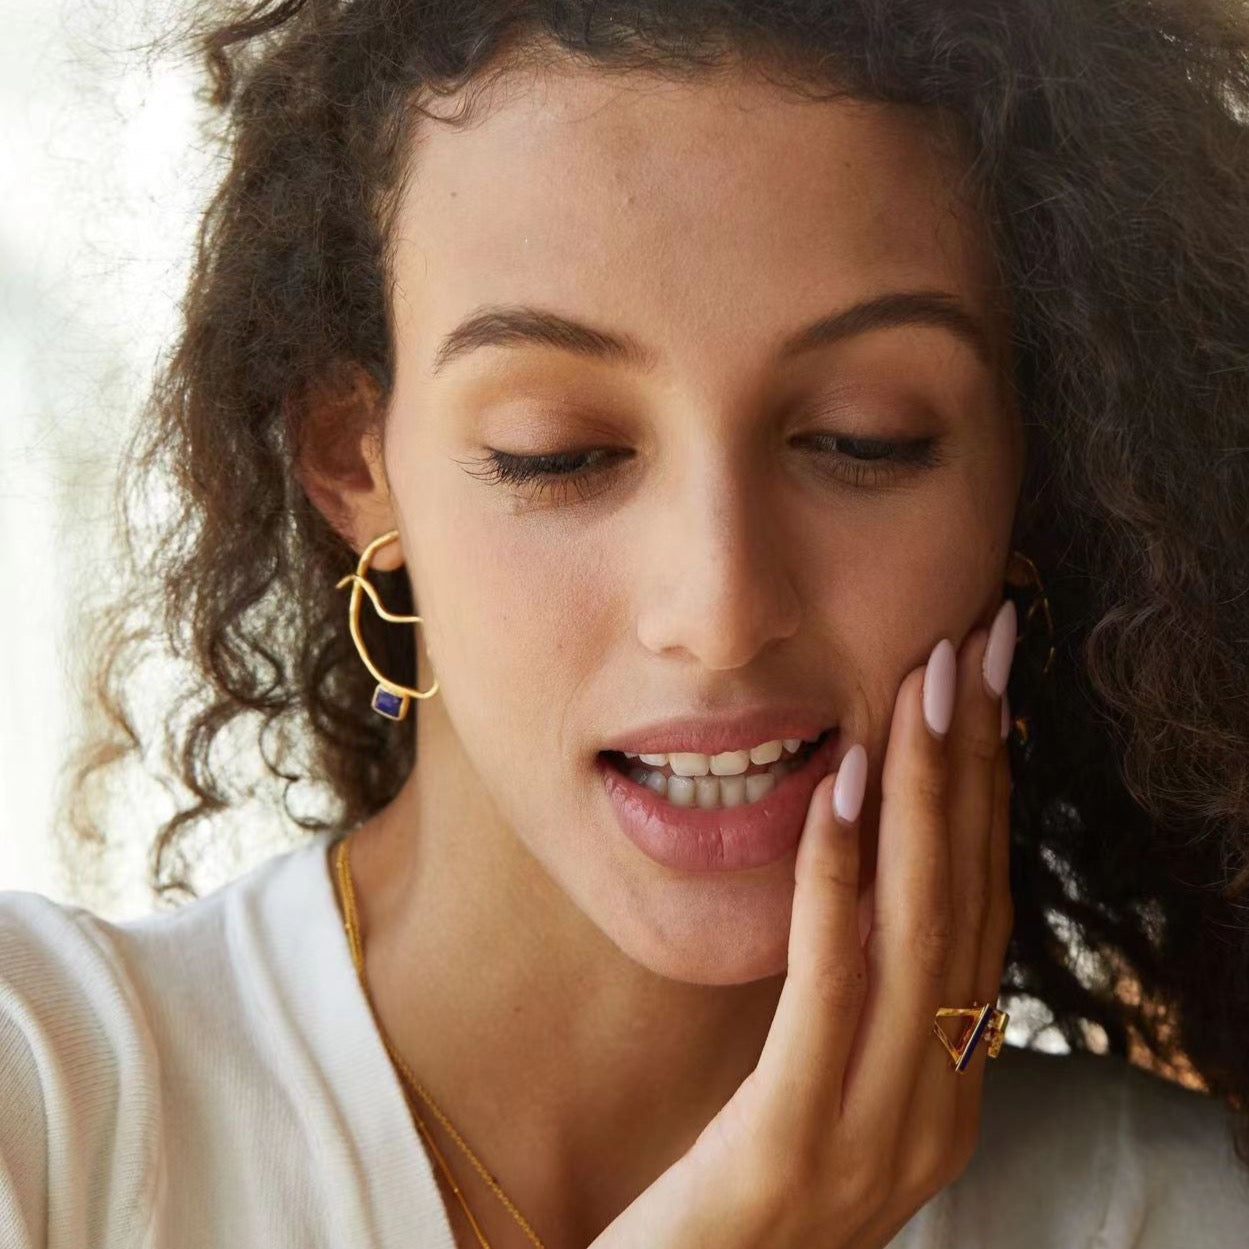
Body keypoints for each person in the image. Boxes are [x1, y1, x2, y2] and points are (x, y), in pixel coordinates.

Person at [4, 0, 1249, 1245]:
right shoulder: (47, 1096)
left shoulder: (1167, 1214)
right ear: (353, 461)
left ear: (1038, 464)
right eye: (562, 453)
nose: (718, 609)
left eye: (864, 437)